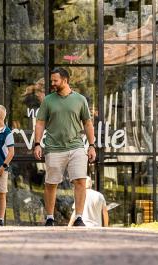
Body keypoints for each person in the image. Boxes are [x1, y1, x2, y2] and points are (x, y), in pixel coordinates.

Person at [34, 67, 96, 227]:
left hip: (76, 147)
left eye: (55, 80)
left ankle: (79, 217)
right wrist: (37, 143)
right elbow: (40, 123)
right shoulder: (48, 100)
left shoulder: (80, 99)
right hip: (54, 148)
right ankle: (49, 217)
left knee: (80, 181)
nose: (52, 83)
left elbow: (87, 123)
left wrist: (91, 145)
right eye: (52, 80)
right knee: (51, 184)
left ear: (65, 80)